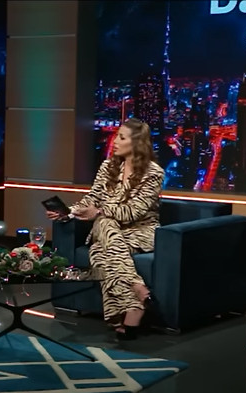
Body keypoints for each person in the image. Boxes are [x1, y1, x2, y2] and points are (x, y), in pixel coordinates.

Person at [46, 118, 164, 340]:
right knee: (102, 235)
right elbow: (93, 198)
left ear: (137, 143)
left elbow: (133, 212)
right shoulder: (108, 166)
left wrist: (99, 212)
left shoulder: (153, 173)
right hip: (111, 232)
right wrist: (68, 212)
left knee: (99, 247)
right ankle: (135, 300)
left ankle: (123, 311)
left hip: (141, 231)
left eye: (121, 137)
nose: (115, 140)